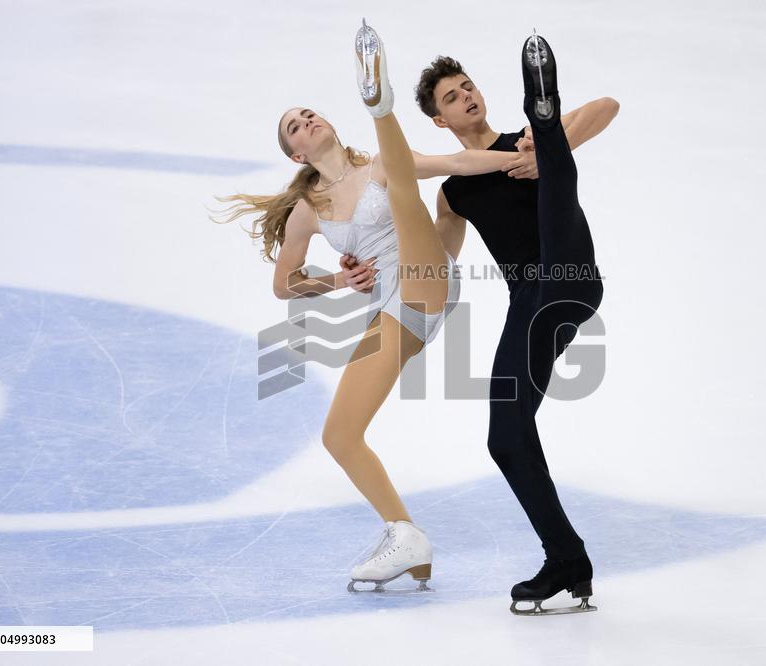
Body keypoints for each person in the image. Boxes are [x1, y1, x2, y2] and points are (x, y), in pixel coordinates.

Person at [213, 19, 533, 593]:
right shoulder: (308, 210)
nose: (306, 120)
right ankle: (404, 535)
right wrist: (336, 280)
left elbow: (460, 164)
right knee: (339, 434)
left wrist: (520, 158)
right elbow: (285, 286)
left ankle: (378, 101)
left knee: (401, 180)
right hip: (392, 308)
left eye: (308, 112)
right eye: (295, 126)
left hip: (428, 275)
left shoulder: (378, 165)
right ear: (294, 151)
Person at [414, 32, 620, 614]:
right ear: (439, 120)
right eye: (452, 97)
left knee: (555, 176)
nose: (467, 97)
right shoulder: (453, 191)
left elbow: (607, 107)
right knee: (504, 437)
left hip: (572, 269)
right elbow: (436, 261)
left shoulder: (517, 141)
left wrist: (541, 148)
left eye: (469, 86)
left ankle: (546, 110)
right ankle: (566, 559)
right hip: (532, 301)